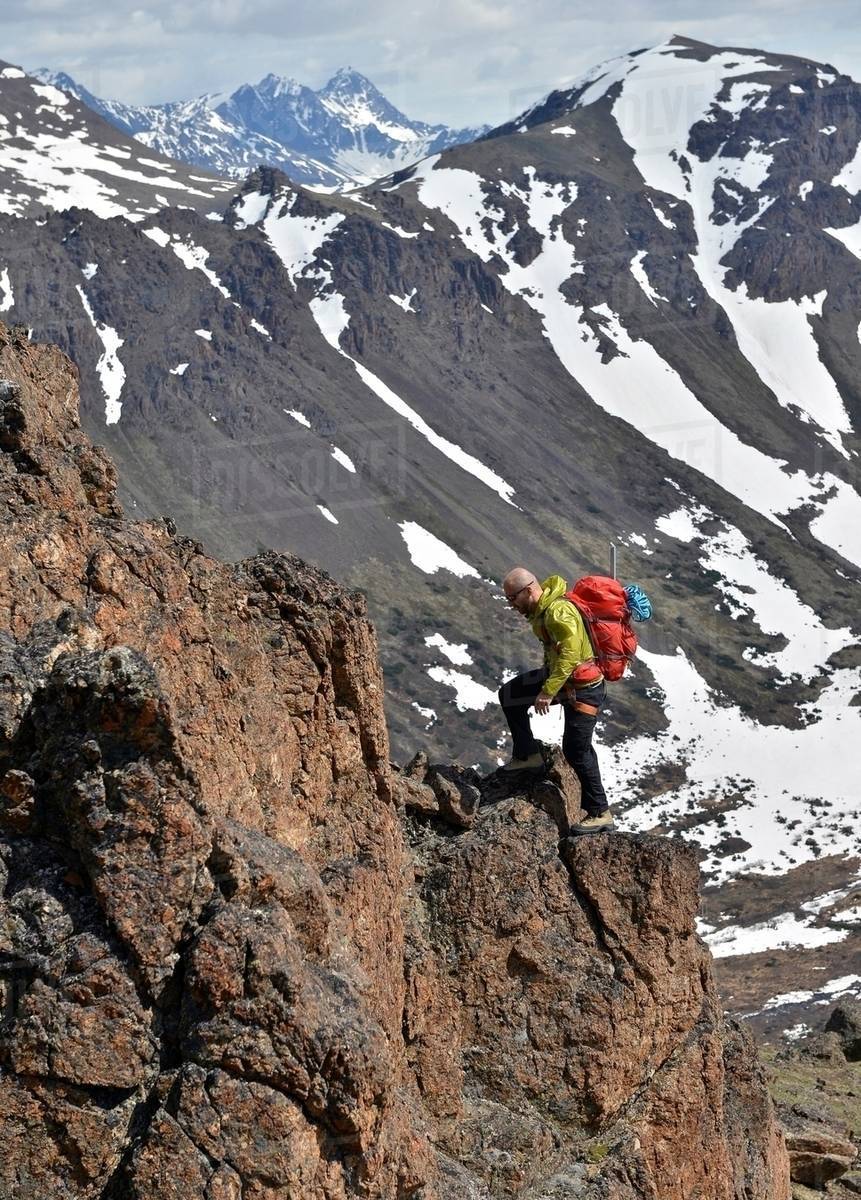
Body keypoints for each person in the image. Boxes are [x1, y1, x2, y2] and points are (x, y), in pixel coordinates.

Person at [497, 567, 614, 834]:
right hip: (565, 679)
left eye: (512, 598)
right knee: (510, 694)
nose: (511, 605)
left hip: (583, 688)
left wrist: (547, 691)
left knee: (577, 750)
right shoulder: (544, 610)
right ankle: (527, 756)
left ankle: (600, 813)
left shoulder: (557, 611)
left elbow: (571, 655)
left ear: (528, 590)